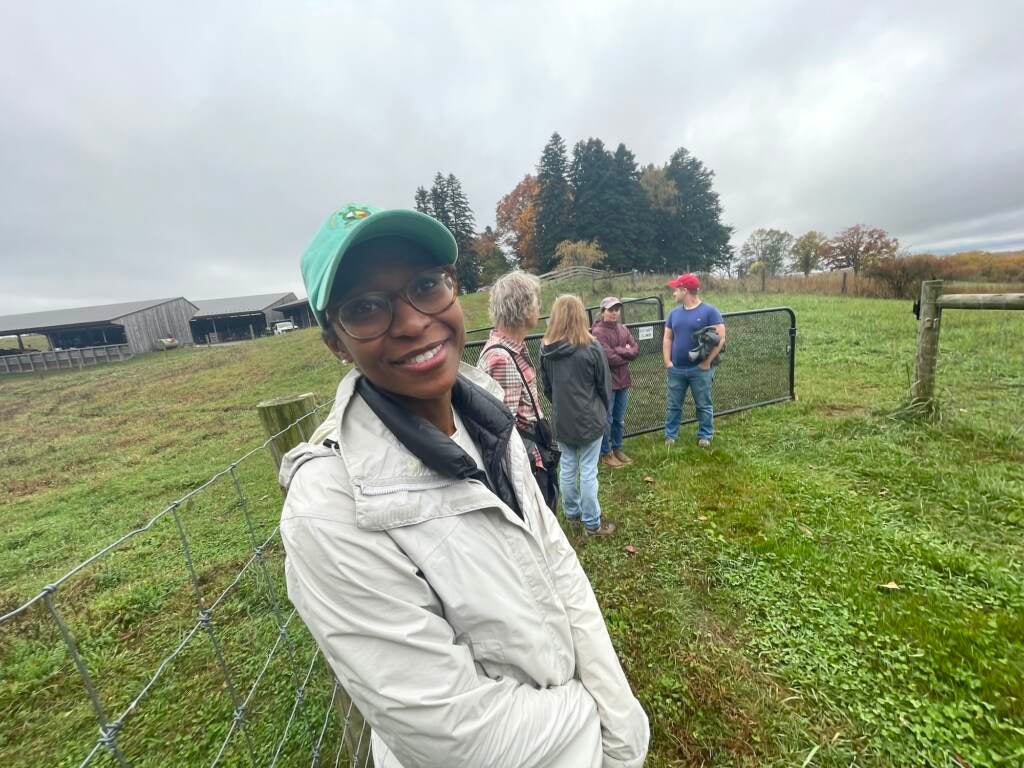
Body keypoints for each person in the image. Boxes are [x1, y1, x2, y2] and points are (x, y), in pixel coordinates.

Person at [280, 204, 649, 768]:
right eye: (365, 307)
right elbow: (457, 738)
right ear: (335, 341)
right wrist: (597, 725)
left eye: (425, 286)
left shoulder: (487, 419)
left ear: (454, 291)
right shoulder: (328, 511)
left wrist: (622, 726)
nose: (409, 321)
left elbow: (556, 563)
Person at [477, 270, 557, 509]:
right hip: (527, 464)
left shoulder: (509, 349)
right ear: (522, 307)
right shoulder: (501, 358)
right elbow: (504, 431)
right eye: (535, 301)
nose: (538, 307)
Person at [540, 295, 616, 536]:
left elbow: (547, 388)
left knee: (568, 468)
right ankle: (592, 523)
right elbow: (604, 385)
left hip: (563, 420)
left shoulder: (546, 349)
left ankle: (572, 515)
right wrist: (603, 411)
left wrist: (562, 406)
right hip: (589, 419)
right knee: (588, 471)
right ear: (581, 315)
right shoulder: (591, 346)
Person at [663, 273, 725, 448]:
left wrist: (706, 362)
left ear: (684, 290)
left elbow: (720, 338)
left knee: (703, 404)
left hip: (699, 369)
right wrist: (668, 361)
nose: (674, 293)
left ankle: (705, 435)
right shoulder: (674, 313)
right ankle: (670, 435)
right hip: (676, 369)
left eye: (676, 290)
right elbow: (667, 338)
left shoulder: (709, 311)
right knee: (673, 405)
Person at [591, 297, 639, 468]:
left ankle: (617, 448)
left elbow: (635, 350)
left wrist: (620, 352)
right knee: (607, 419)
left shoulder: (623, 329)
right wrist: (624, 352)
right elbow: (607, 358)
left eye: (617, 309)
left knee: (619, 419)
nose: (614, 313)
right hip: (607, 383)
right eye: (611, 309)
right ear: (603, 311)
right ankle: (606, 452)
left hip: (623, 381)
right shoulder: (597, 332)